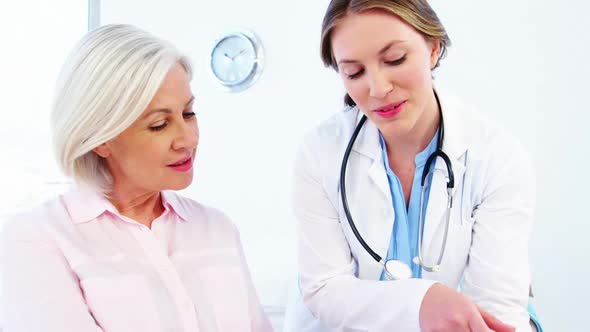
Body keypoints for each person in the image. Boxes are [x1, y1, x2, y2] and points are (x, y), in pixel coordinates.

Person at [287, 0, 542, 331]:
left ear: (433, 48)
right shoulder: (319, 152)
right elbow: (324, 288)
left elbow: (496, 308)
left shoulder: (497, 157)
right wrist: (421, 301)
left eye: (395, 59)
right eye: (355, 72)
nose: (378, 89)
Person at [0, 24, 272, 332]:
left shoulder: (217, 229)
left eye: (188, 113)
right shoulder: (38, 238)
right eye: (159, 125)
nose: (187, 140)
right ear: (100, 139)